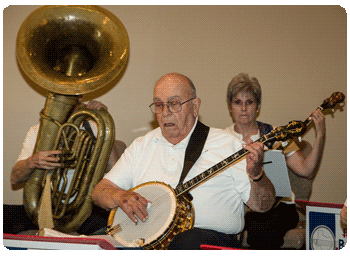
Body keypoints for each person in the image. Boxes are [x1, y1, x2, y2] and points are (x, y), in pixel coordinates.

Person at [92, 73, 276, 250]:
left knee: (186, 242)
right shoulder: (141, 146)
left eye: (173, 104)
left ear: (195, 106)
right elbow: (100, 191)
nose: (165, 113)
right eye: (158, 105)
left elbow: (262, 205)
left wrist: (257, 176)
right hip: (146, 239)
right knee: (93, 241)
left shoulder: (228, 144)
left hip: (206, 241)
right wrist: (119, 196)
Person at [225, 73, 326, 249]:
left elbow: (306, 170)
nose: (243, 108)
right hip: (241, 208)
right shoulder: (223, 139)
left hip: (279, 208)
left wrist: (321, 136)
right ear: (230, 106)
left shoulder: (276, 134)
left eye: (249, 102)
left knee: (261, 227)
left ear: (258, 107)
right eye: (237, 102)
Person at [3, 98, 126, 235]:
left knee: (108, 226)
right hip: (43, 208)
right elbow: (14, 179)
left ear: (79, 101)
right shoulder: (36, 131)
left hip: (85, 209)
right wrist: (31, 162)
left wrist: (104, 122)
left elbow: (115, 172)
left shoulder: (94, 127)